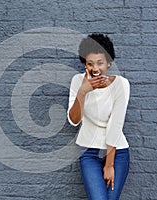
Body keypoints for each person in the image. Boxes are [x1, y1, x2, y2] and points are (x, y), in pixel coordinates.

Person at [67, 33, 130, 200]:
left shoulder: (121, 84)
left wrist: (109, 164)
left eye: (100, 63)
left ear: (109, 62)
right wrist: (83, 91)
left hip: (117, 153)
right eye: (90, 63)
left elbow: (115, 125)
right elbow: (74, 120)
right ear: (85, 64)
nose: (95, 68)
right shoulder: (77, 81)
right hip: (89, 153)